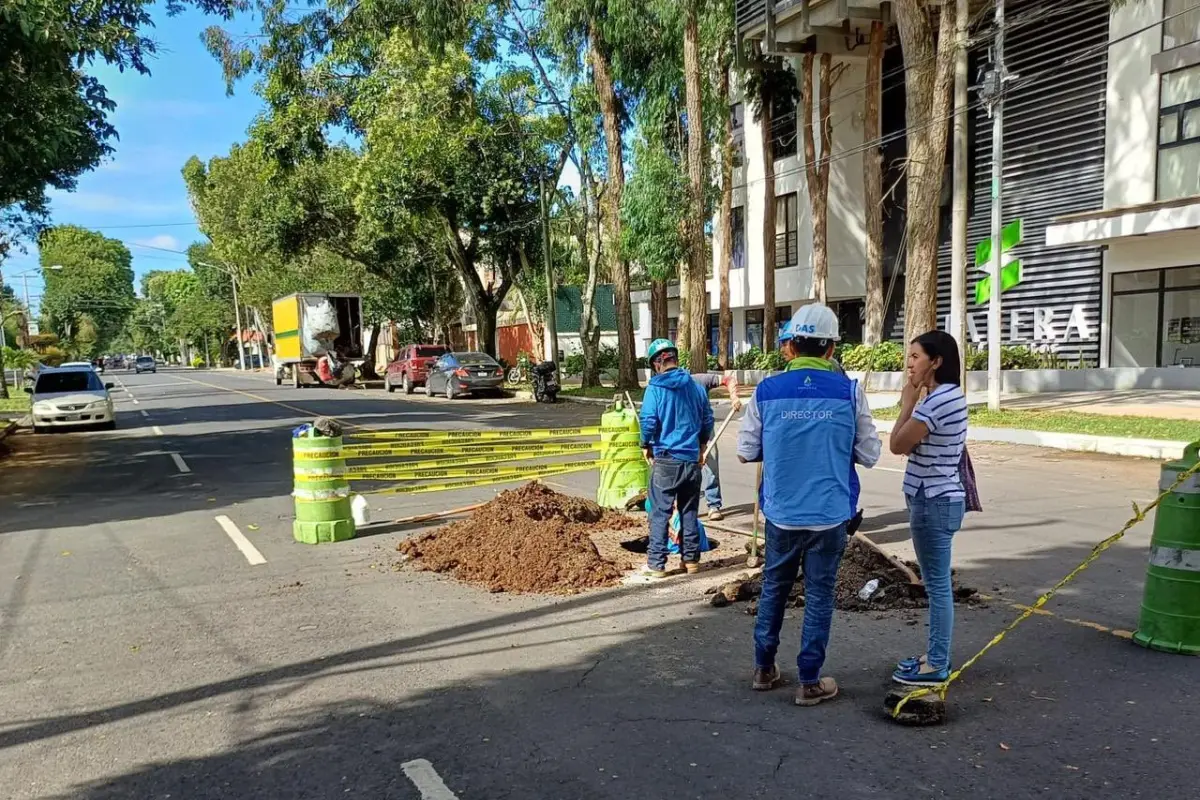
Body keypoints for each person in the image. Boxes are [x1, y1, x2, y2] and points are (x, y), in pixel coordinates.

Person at [737, 304, 881, 706]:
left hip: (781, 514)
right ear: (831, 349)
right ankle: (809, 681)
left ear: (791, 347)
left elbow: (746, 451)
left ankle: (764, 669)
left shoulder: (766, 391)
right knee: (819, 596)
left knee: (774, 590)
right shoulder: (850, 392)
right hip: (830, 516)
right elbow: (870, 454)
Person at [887, 330, 968, 686]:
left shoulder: (937, 401)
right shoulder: (941, 397)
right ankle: (934, 656)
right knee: (936, 585)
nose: (909, 364)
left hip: (933, 501)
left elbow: (897, 444)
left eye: (916, 357)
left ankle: (936, 664)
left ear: (936, 362)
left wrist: (907, 402)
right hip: (932, 498)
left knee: (936, 587)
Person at [639, 338, 714, 578]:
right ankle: (691, 561)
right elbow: (707, 420)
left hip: (666, 459)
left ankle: (656, 564)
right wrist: (701, 446)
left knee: (660, 513)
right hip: (691, 460)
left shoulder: (656, 388)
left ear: (656, 364)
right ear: (674, 359)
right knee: (689, 511)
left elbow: (649, 420)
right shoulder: (695, 387)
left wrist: (644, 444)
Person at [689, 371, 741, 521]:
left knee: (710, 462)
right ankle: (685, 509)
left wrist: (733, 396)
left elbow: (729, 379)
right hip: (684, 429)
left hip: (705, 426)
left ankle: (713, 505)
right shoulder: (673, 388)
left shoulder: (701, 380)